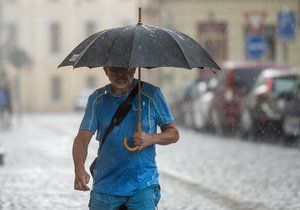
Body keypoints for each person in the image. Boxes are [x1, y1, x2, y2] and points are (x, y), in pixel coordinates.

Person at [72, 66, 179, 210]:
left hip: (143, 184)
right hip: (106, 185)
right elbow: (82, 139)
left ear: (134, 69)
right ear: (105, 70)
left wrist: (151, 138)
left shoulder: (151, 94)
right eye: (115, 68)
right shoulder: (97, 99)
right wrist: (79, 169)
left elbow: (173, 133)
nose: (120, 73)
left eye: (125, 68)